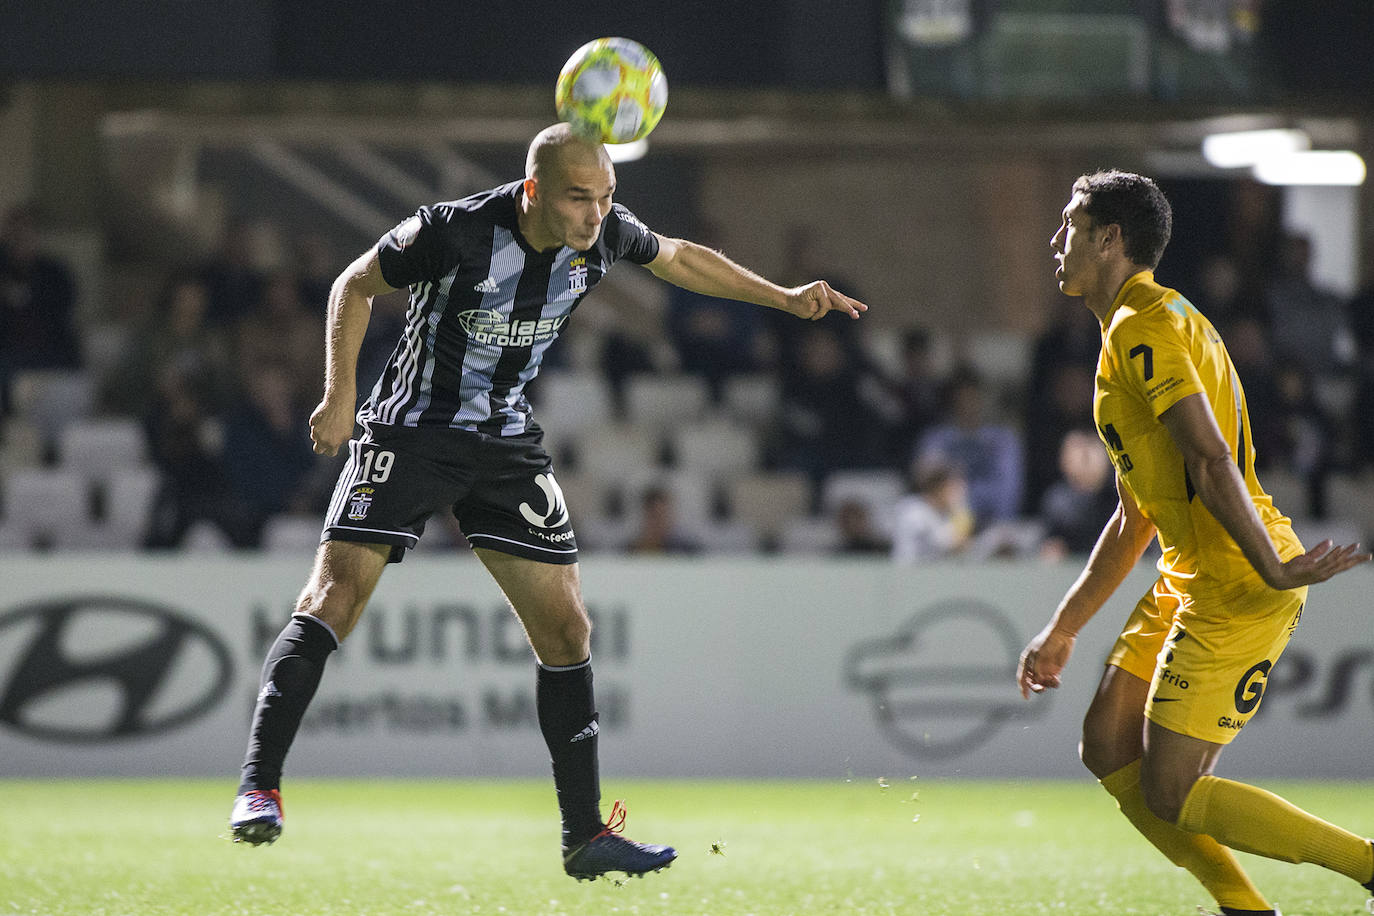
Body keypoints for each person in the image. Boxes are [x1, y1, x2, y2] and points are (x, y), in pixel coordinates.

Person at [227, 123, 867, 881]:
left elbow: (682, 258)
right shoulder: (453, 229)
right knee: (334, 599)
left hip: (502, 440)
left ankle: (584, 834)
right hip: (411, 433)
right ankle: (259, 789)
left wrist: (782, 298)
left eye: (606, 198)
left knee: (567, 630)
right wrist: (340, 394)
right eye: (577, 198)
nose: (596, 216)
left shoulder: (606, 235)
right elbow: (353, 285)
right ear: (534, 191)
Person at [1017, 169, 1374, 916]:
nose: (1057, 243)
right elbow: (1133, 517)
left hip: (1237, 578)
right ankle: (1246, 910)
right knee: (1108, 745)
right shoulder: (1140, 325)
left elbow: (1211, 459)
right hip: (1194, 571)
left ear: (1109, 238)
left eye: (1069, 227)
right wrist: (1062, 629)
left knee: (1171, 790)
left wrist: (1273, 567)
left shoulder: (1146, 328)